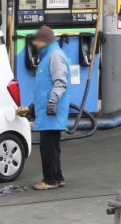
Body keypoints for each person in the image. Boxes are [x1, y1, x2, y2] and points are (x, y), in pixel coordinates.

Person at [31, 25, 70, 191]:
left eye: (38, 41)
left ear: (44, 41)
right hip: (48, 110)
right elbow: (44, 86)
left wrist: (52, 102)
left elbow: (60, 82)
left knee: (47, 147)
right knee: (53, 147)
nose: (36, 45)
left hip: (51, 110)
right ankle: (57, 177)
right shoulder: (48, 55)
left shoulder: (54, 55)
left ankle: (50, 180)